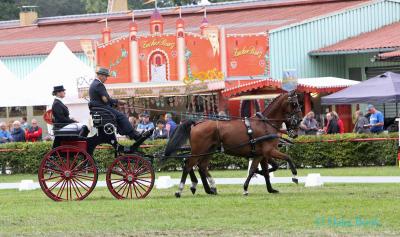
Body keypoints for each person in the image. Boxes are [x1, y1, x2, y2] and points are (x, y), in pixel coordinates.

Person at [89, 67, 146, 141]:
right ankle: (133, 135)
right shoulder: (99, 85)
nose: (106, 78)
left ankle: (130, 133)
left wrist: (115, 104)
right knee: (121, 116)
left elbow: (105, 100)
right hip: (103, 108)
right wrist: (118, 101)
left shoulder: (94, 84)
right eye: (106, 76)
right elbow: (106, 99)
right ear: (101, 75)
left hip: (100, 108)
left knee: (118, 116)